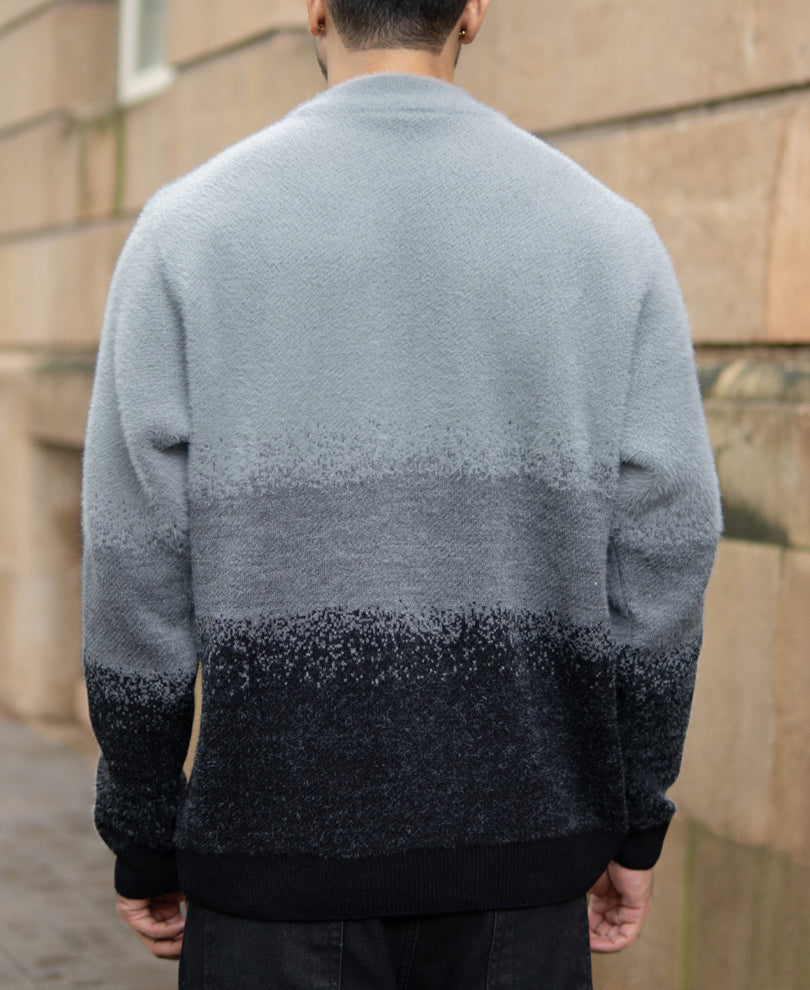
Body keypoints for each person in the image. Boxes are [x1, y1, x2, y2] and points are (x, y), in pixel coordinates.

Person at [81, 0, 722, 986]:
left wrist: (142, 827)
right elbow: (670, 542)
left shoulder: (186, 233)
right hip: (523, 864)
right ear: (474, 12)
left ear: (316, 8)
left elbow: (132, 563)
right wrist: (635, 815)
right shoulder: (606, 236)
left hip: (271, 868)